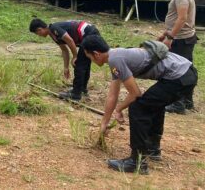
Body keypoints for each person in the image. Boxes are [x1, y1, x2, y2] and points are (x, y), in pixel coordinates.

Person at [82, 34, 197, 174]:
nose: (91, 61)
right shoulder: (116, 56)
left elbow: (135, 93)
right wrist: (104, 123)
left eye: (89, 57)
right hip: (186, 74)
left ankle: (137, 162)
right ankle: (152, 148)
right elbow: (113, 94)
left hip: (179, 76)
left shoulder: (115, 60)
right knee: (153, 103)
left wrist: (119, 109)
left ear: (96, 54)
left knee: (138, 107)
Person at [29, 18, 100, 100]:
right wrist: (66, 67)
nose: (39, 36)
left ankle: (76, 94)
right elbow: (64, 50)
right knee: (84, 63)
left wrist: (75, 56)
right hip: (90, 34)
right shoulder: (53, 34)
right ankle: (82, 89)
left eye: (37, 33)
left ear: (40, 29)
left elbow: (70, 41)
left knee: (79, 64)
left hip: (89, 33)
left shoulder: (54, 28)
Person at [158, 0, 198, 114]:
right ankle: (187, 100)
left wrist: (170, 38)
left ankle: (179, 103)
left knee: (177, 70)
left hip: (181, 39)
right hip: (184, 38)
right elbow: (176, 19)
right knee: (187, 68)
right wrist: (165, 34)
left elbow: (181, 18)